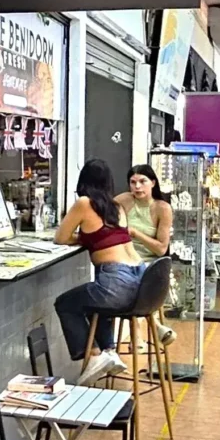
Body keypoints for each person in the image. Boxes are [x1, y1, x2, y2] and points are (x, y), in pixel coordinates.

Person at [54, 159, 146, 386]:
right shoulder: (117, 207)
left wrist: (83, 239)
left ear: (83, 181)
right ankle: (109, 351)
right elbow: (109, 236)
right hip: (142, 281)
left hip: (117, 282)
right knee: (97, 301)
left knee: (65, 304)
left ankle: (94, 356)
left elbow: (60, 237)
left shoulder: (84, 203)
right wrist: (91, 238)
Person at [116, 164, 175, 346]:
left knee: (137, 278)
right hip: (125, 259)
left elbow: (161, 249)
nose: (137, 187)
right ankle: (154, 325)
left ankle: (139, 333)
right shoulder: (124, 200)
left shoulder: (162, 208)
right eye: (133, 182)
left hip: (150, 263)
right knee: (125, 274)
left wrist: (136, 234)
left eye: (142, 181)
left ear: (153, 183)